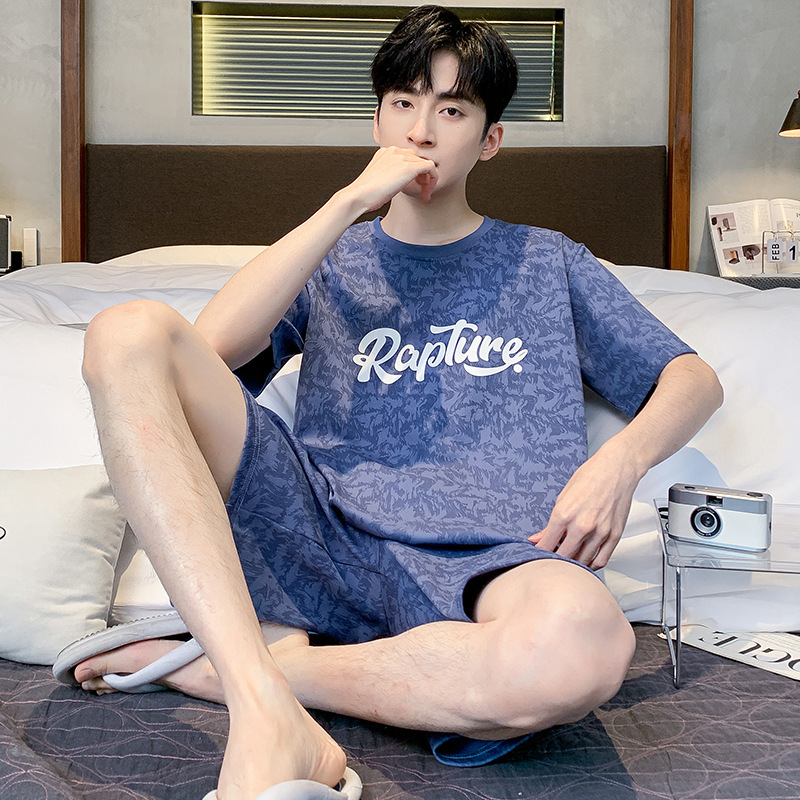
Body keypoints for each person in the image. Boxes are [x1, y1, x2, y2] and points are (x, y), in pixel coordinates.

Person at [69, 6, 723, 800]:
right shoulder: (331, 257)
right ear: (377, 120)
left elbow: (692, 379)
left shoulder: (546, 262)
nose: (421, 130)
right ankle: (267, 691)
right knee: (126, 332)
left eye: (451, 110)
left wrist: (619, 462)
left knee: (584, 649)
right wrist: (348, 204)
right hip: (321, 532)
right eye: (404, 103)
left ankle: (243, 677)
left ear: (489, 139)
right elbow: (207, 353)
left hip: (497, 557)